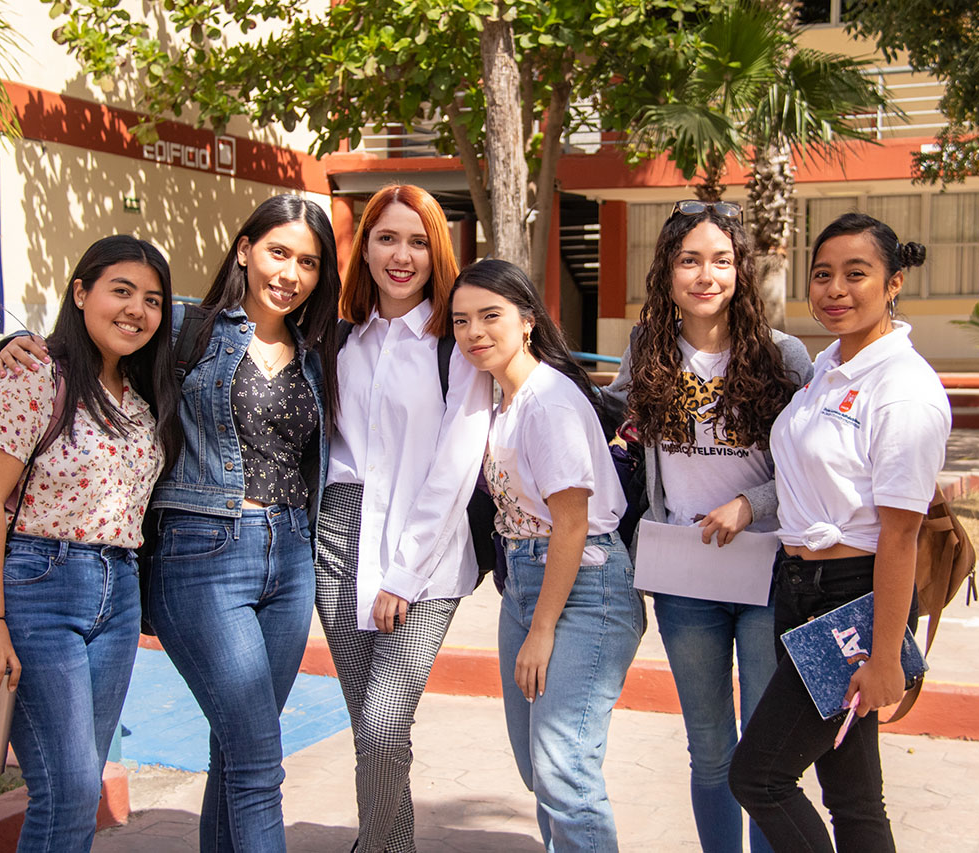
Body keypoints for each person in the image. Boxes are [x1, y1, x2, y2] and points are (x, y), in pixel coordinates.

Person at [0, 193, 341, 852]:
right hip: (207, 554)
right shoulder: (186, 326)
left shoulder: (316, 350)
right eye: (278, 252)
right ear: (244, 248)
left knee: (237, 750)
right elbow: (92, 336)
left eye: (309, 261)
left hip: (292, 558)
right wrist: (11, 344)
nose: (290, 272)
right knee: (260, 759)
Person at [728, 212, 950, 852]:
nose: (835, 290)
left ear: (894, 283)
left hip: (853, 597)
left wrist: (885, 657)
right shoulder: (827, 366)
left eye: (857, 274)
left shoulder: (903, 389)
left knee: (760, 778)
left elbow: (901, 536)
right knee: (852, 793)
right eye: (822, 275)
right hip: (801, 589)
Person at [603, 201, 810, 853]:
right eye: (689, 259)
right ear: (666, 272)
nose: (705, 274)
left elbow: (814, 470)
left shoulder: (785, 356)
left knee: (761, 756)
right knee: (712, 751)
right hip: (684, 579)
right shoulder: (647, 350)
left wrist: (752, 502)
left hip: (766, 574)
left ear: (741, 271)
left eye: (721, 260)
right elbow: (609, 425)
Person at [0, 235, 182, 853]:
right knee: (66, 786)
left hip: (117, 597)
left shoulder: (142, 400)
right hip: (38, 587)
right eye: (121, 291)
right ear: (81, 292)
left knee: (79, 789)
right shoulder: (32, 379)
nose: (136, 310)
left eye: (153, 299)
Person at [316, 184, 492, 853]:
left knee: (386, 723)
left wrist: (404, 572)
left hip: (430, 553)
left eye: (418, 241)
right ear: (364, 249)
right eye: (387, 238)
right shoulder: (337, 339)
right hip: (338, 538)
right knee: (367, 727)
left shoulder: (456, 345)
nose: (401, 255)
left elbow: (453, 470)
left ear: (436, 253)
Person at [451, 258, 643, 852]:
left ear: (527, 321)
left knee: (564, 769)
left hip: (585, 587)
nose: (475, 332)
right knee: (539, 768)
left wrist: (542, 628)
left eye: (491, 316)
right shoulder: (499, 400)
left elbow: (572, 525)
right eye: (461, 321)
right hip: (529, 581)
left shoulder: (548, 402)